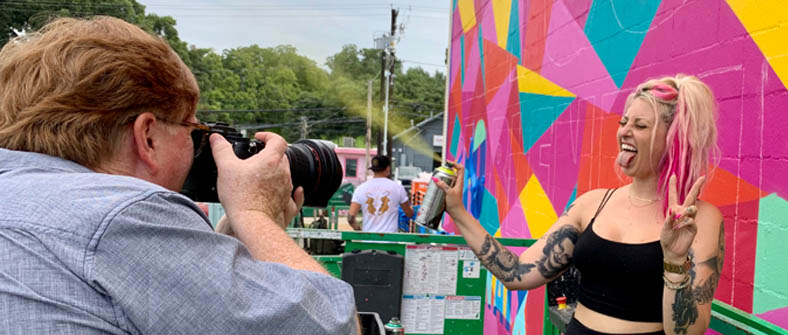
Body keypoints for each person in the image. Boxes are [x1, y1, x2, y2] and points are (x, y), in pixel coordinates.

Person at [0, 17, 358, 334]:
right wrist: (255, 214)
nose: (198, 148)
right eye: (194, 130)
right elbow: (332, 325)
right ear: (148, 136)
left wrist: (240, 232)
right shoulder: (125, 215)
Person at [435, 75, 725, 335]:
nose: (624, 132)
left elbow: (686, 333)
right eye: (624, 122)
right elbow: (517, 273)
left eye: (640, 125)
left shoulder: (700, 220)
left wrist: (674, 263)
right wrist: (458, 211)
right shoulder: (592, 203)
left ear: (673, 139)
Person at [348, 155, 415, 232]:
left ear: (373, 170)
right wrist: (413, 210)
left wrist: (357, 228)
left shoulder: (360, 189)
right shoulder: (397, 188)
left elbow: (351, 217)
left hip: (368, 240)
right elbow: (409, 213)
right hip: (390, 240)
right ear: (388, 168)